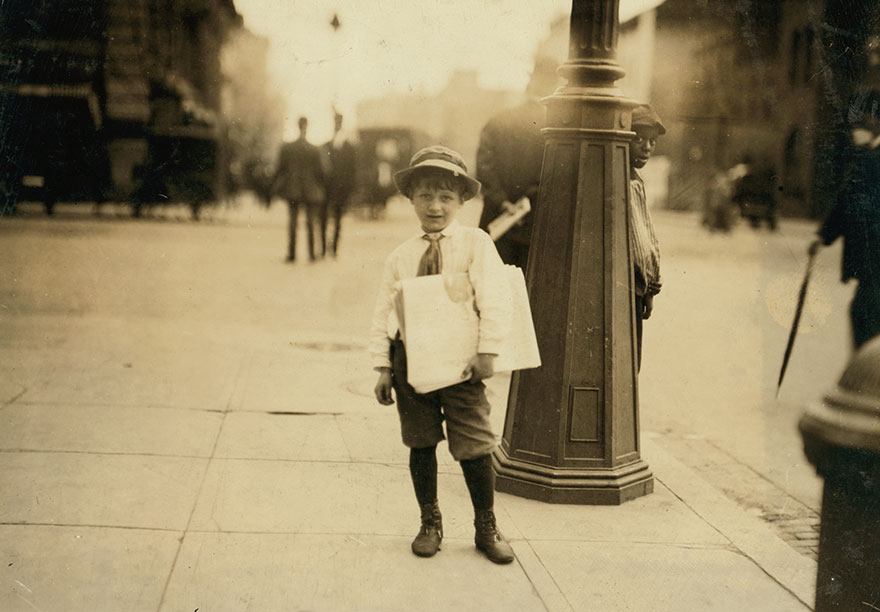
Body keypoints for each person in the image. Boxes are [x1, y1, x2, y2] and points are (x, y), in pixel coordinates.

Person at [368, 145, 515, 564]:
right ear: (410, 198)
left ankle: (485, 524)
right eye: (426, 195)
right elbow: (384, 311)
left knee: (474, 444)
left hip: (461, 362)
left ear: (461, 201)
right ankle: (429, 521)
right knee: (420, 440)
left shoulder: (475, 243)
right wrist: (382, 366)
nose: (435, 206)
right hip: (410, 362)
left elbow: (496, 299)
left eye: (446, 197)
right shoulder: (401, 256)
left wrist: (487, 352)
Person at [476, 56, 559, 269]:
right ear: (554, 85)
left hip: (497, 221)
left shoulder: (497, 122)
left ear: (528, 83)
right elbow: (555, 176)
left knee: (493, 287)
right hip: (535, 225)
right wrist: (526, 203)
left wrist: (504, 203)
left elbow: (484, 170)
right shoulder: (556, 130)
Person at [813, 90, 880, 350]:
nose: (854, 128)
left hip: (874, 260)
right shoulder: (868, 156)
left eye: (860, 121)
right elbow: (847, 200)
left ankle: (865, 383)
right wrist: (823, 236)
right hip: (872, 265)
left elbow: (849, 199)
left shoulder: (870, 158)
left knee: (866, 317)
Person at [629, 104, 665, 371]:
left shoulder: (634, 179)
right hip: (634, 288)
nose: (647, 147)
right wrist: (650, 287)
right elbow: (642, 245)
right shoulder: (630, 182)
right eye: (640, 139)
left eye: (652, 141)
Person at [273, 116, 326, 262]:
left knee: (292, 222)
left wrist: (274, 186)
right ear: (307, 127)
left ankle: (291, 254)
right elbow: (321, 172)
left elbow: (279, 169)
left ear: (298, 126)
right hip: (310, 190)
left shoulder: (287, 148)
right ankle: (311, 254)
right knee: (310, 222)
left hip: (293, 189)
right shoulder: (314, 150)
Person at [320, 112, 357, 258]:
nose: (337, 125)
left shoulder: (349, 147)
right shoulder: (327, 145)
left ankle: (333, 249)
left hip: (341, 189)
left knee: (337, 220)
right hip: (326, 189)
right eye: (335, 122)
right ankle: (323, 249)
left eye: (338, 122)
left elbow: (353, 171)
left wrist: (349, 190)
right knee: (323, 219)